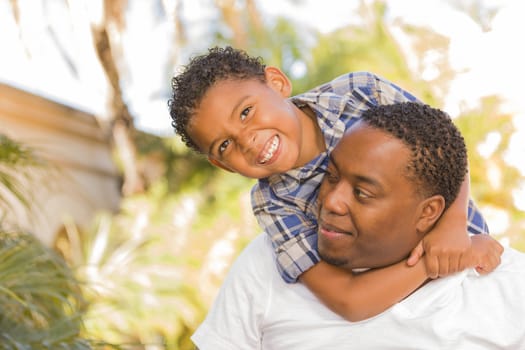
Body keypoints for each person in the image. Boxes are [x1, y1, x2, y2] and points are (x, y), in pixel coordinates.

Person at [168, 46, 497, 321]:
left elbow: (444, 142)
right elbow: (348, 300)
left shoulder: (358, 92)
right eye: (224, 146)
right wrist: (439, 262)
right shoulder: (273, 204)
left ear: (277, 83)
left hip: (479, 267)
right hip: (405, 306)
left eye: (246, 112)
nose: (247, 142)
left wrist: (453, 226)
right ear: (220, 165)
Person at [191, 102, 524, 350]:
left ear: (429, 213)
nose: (332, 201)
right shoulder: (266, 264)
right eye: (331, 176)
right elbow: (351, 302)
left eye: (363, 193)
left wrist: (457, 233)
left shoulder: (505, 287)